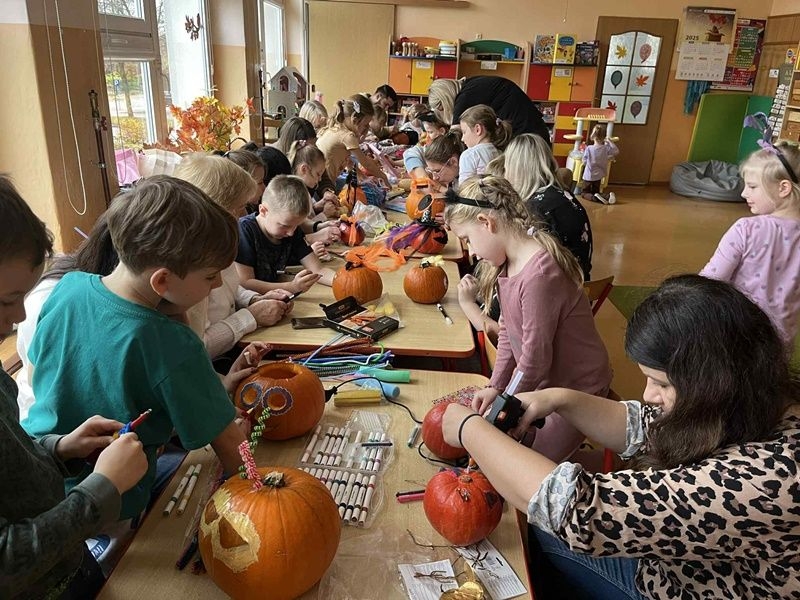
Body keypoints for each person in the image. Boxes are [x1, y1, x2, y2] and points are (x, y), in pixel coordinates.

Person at [441, 274, 800, 600]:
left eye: (662, 384)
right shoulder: (755, 399)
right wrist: (558, 398)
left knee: (535, 531)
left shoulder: (768, 480)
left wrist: (468, 428)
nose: (648, 395)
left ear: (712, 383)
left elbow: (577, 510)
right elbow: (646, 425)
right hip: (680, 559)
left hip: (677, 587)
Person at [22, 176, 257, 523]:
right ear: (161, 280)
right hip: (113, 503)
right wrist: (257, 490)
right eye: (210, 276)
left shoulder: (68, 287)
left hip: (38, 474)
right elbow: (227, 442)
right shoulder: (171, 342)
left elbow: (37, 373)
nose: (219, 283)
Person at [0, 175, 149, 599]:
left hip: (70, 567)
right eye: (6, 301)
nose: (18, 318)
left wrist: (58, 448)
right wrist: (101, 489)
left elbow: (11, 462)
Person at [446, 176, 611, 461]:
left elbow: (534, 359)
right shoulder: (508, 265)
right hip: (547, 382)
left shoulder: (539, 276)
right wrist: (495, 386)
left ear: (486, 222)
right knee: (512, 445)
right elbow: (508, 333)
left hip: (579, 388)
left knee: (531, 466)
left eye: (468, 240)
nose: (471, 251)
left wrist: (503, 403)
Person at [174, 153, 295, 359]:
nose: (243, 216)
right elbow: (198, 347)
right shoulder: (187, 269)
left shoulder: (218, 243)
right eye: (239, 208)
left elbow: (227, 288)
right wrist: (251, 316)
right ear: (216, 210)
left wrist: (254, 299)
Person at [700, 142, 800, 349]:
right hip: (780, 343)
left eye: (753, 187)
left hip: (735, 335)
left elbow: (709, 282)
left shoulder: (746, 229)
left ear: (783, 188)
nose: (744, 193)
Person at [503, 133, 593, 281]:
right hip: (581, 286)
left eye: (506, 168)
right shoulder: (565, 194)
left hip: (556, 289)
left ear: (516, 169)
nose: (505, 174)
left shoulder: (534, 209)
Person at [235, 174, 335, 295]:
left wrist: (341, 280)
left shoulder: (292, 229)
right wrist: (291, 287)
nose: (291, 232)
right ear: (263, 211)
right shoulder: (245, 230)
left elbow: (318, 270)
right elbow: (245, 282)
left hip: (277, 295)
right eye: (284, 225)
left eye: (296, 226)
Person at [428, 76, 550, 143]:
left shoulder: (464, 97)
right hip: (532, 127)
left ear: (446, 99)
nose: (444, 111)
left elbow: (454, 137)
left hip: (527, 134)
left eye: (441, 108)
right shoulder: (472, 84)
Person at [316, 94, 389, 187]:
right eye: (366, 125)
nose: (367, 128)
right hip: (323, 184)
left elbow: (349, 161)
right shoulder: (348, 136)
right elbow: (367, 164)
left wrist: (362, 177)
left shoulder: (337, 127)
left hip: (322, 181)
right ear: (355, 120)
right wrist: (384, 177)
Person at [457, 104, 512, 185]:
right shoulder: (501, 152)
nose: (462, 138)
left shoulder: (469, 155)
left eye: (464, 132)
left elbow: (464, 187)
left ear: (478, 129)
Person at [402, 111, 449, 181]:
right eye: (426, 132)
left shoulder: (448, 149)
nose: (427, 137)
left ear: (442, 131)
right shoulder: (429, 146)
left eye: (430, 132)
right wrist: (422, 174)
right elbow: (411, 153)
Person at [581, 124, 618, 204]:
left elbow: (584, 160)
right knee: (596, 191)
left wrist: (584, 163)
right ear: (604, 137)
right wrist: (610, 141)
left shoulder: (589, 148)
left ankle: (595, 198)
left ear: (593, 136)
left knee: (584, 193)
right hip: (599, 175)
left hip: (589, 175)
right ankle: (607, 196)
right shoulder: (605, 148)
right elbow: (616, 151)